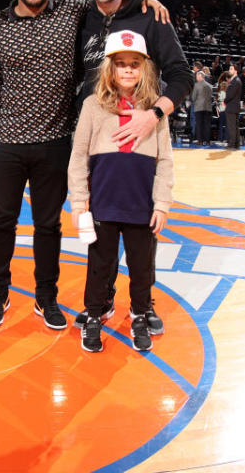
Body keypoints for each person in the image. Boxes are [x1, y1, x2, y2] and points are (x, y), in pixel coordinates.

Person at [0, 0, 170, 331]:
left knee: (48, 224)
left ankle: (46, 296)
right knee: (2, 220)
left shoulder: (71, 10)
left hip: (55, 139)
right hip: (5, 139)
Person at [68, 30, 173, 352]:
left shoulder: (156, 110)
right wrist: (79, 202)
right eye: (121, 64)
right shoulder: (92, 105)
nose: (128, 70)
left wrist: (163, 203)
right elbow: (79, 155)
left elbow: (165, 159)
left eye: (134, 64)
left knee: (142, 268)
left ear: (145, 69)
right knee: (100, 265)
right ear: (109, 69)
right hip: (103, 204)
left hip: (141, 205)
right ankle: (96, 314)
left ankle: (140, 314)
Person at [189, 70, 213, 145]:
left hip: (199, 107)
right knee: (207, 125)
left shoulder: (196, 85)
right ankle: (208, 141)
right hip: (208, 108)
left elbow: (193, 97)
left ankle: (200, 141)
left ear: (200, 77)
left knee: (199, 124)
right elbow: (211, 97)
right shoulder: (210, 86)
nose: (196, 78)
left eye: (197, 76)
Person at [224, 65, 242, 149]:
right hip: (234, 106)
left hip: (232, 106)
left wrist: (225, 101)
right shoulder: (236, 80)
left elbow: (230, 94)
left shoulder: (235, 81)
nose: (229, 70)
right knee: (235, 126)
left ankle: (232, 144)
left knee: (232, 126)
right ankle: (236, 143)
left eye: (231, 69)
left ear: (235, 71)